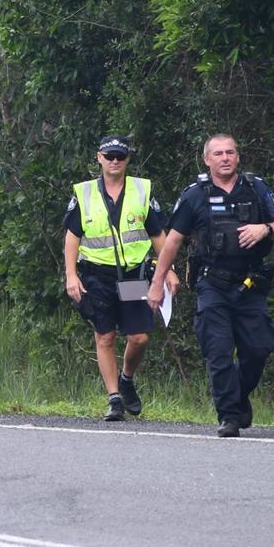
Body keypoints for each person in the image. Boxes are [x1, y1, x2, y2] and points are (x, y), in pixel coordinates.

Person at [147, 134, 274, 437]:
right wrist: (157, 283)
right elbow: (173, 241)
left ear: (237, 157)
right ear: (207, 160)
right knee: (219, 350)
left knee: (259, 348)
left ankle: (237, 398)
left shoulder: (255, 188)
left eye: (230, 152)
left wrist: (264, 229)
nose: (225, 158)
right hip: (213, 284)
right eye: (218, 154)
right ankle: (229, 416)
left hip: (250, 284)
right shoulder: (195, 195)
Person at [64, 136, 179, 421]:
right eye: (109, 155)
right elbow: (72, 237)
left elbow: (158, 235)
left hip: (133, 275)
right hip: (97, 275)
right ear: (99, 158)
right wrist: (71, 275)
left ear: (128, 159)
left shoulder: (142, 190)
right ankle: (114, 398)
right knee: (105, 335)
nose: (115, 160)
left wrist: (168, 271)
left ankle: (127, 379)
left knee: (139, 337)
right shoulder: (84, 192)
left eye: (120, 155)